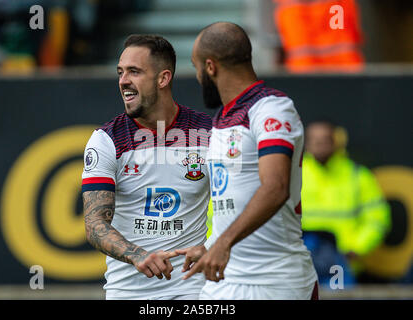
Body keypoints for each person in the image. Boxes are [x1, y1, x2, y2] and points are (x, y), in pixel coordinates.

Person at [175, 22, 318, 300]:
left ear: (210, 66)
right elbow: (233, 197)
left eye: (196, 68)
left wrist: (224, 243)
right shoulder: (221, 119)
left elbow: (276, 188)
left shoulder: (271, 108)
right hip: (224, 278)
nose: (197, 77)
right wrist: (212, 244)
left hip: (275, 281)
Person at [82, 34, 212, 300]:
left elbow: (236, 203)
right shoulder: (106, 140)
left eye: (134, 72)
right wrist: (137, 255)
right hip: (128, 291)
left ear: (163, 79)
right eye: (120, 72)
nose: (123, 81)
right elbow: (94, 224)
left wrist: (213, 245)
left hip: (193, 289)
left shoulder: (209, 133)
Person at [301, 120, 391, 284]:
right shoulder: (294, 174)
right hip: (300, 260)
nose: (320, 144)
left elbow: (377, 219)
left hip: (342, 260)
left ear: (336, 142)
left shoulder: (358, 175)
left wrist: (356, 248)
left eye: (325, 139)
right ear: (306, 143)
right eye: (314, 139)